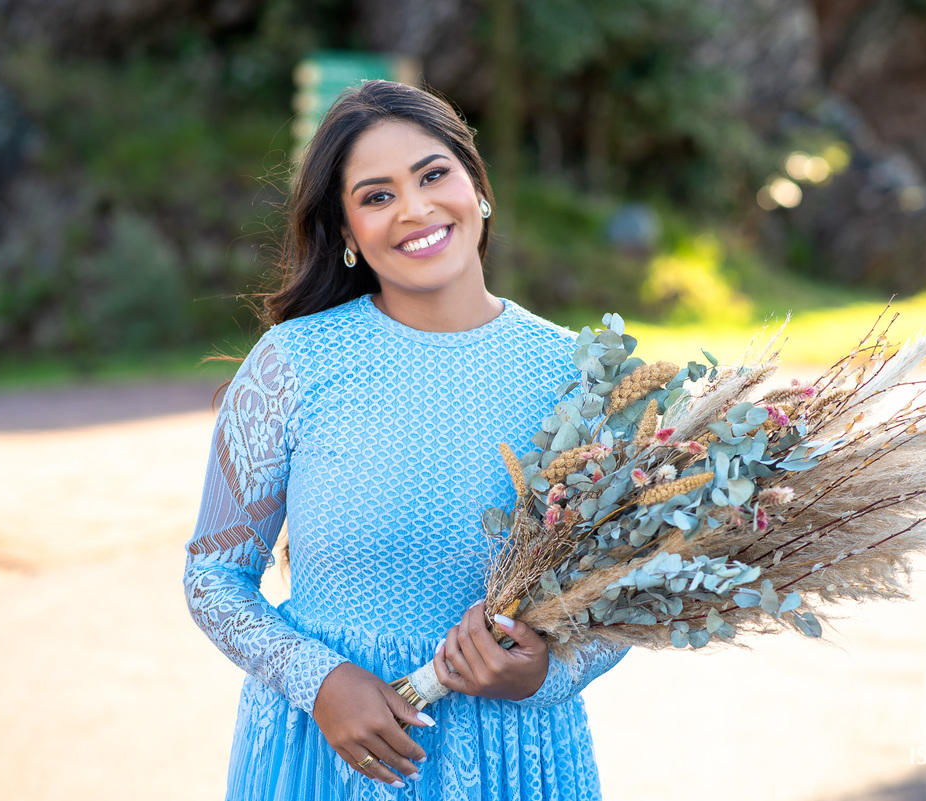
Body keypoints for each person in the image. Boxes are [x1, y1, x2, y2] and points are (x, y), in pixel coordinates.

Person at [183, 79, 627, 801]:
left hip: (515, 758)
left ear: (476, 188)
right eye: (377, 195)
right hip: (325, 755)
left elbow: (621, 591)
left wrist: (548, 673)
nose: (416, 209)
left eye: (432, 175)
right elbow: (213, 574)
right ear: (348, 232)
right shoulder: (292, 364)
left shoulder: (580, 374)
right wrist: (318, 679)